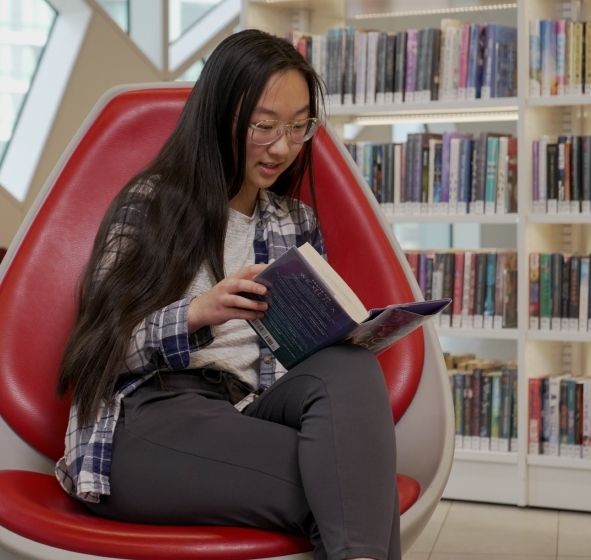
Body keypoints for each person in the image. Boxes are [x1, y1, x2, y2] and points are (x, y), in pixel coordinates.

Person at [54, 28, 400, 560]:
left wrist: (342, 333)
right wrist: (197, 313)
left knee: (350, 369)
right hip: (149, 419)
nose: (282, 147)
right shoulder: (149, 206)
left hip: (244, 411)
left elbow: (307, 370)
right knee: (354, 492)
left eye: (298, 127)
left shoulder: (296, 222)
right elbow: (96, 353)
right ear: (222, 115)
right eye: (264, 126)